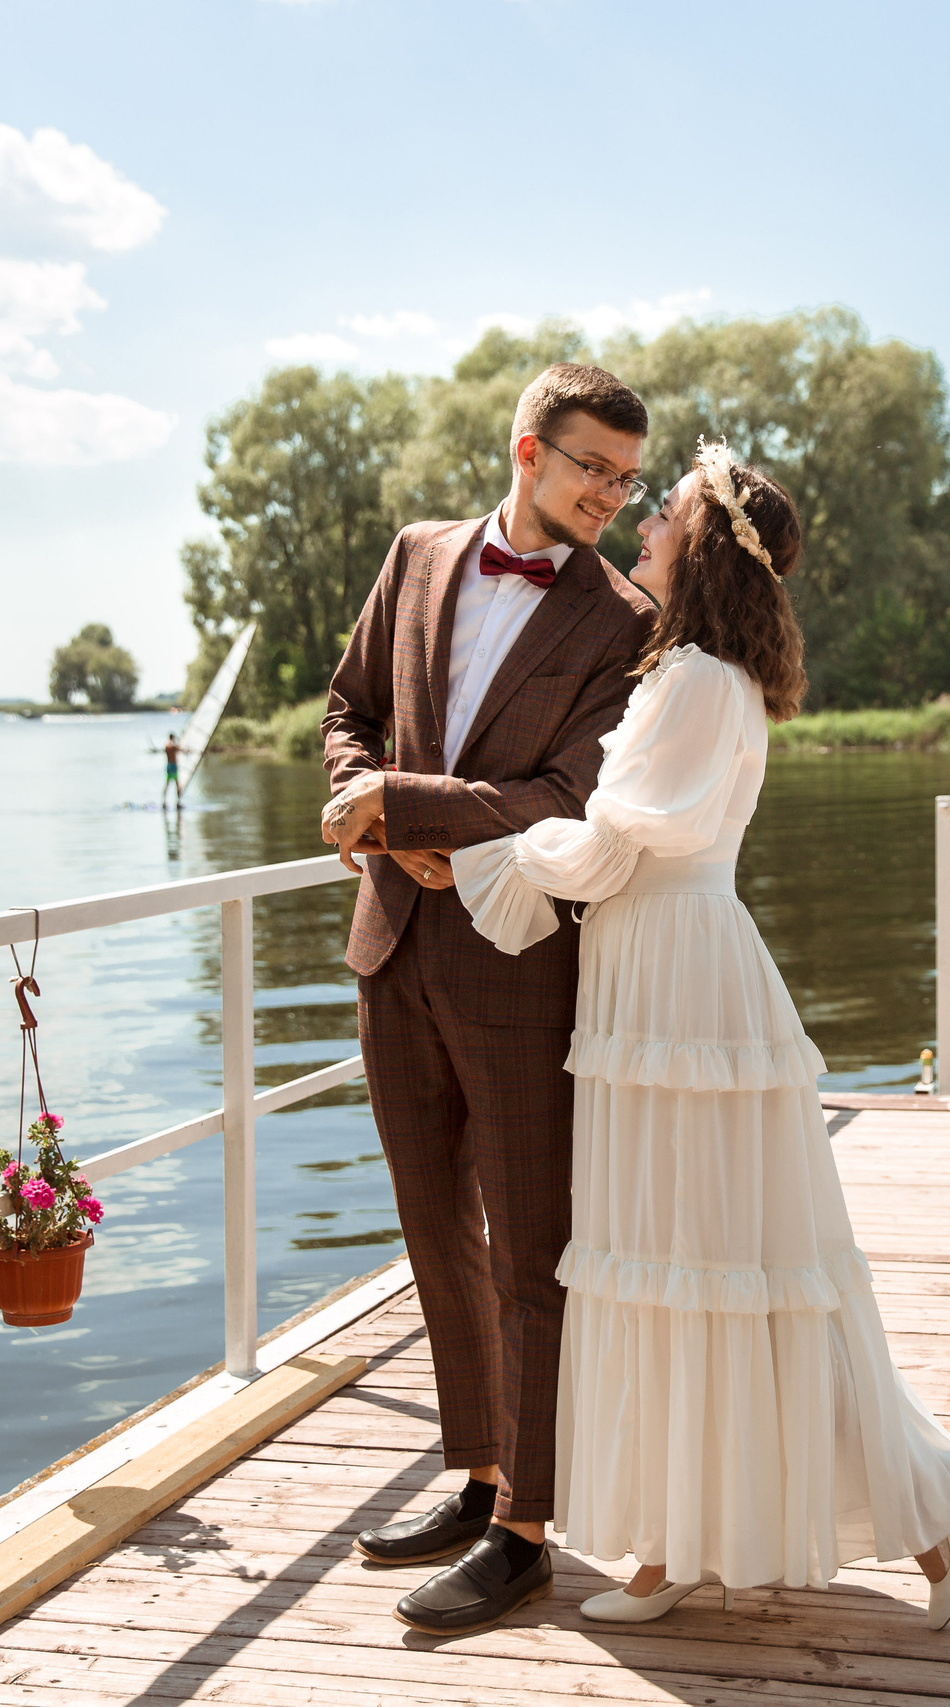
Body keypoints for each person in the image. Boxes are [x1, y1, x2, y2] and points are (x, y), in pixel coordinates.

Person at [451, 443, 950, 1629]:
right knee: (674, 1258)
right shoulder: (697, 672)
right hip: (651, 973)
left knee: (712, 1256)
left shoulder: (699, 678)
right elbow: (619, 843)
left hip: (678, 983)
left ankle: (920, 1517)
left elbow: (613, 844)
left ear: (702, 546)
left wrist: (484, 855)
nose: (643, 523)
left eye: (666, 511)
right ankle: (673, 1544)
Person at [318, 364, 659, 1636]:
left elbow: (573, 796)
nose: (610, 496)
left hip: (518, 960)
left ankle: (528, 1532)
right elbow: (349, 709)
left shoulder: (625, 620)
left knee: (529, 1249)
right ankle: (476, 1475)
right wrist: (361, 801)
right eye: (591, 468)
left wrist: (406, 811)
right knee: (433, 1230)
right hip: (391, 942)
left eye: (626, 479)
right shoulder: (416, 555)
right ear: (528, 450)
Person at [163, 731, 183, 806]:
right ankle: (178, 802)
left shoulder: (167, 745)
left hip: (169, 766)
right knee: (176, 784)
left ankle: (164, 802)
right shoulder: (171, 745)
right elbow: (177, 748)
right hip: (172, 766)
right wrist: (178, 742)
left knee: (168, 784)